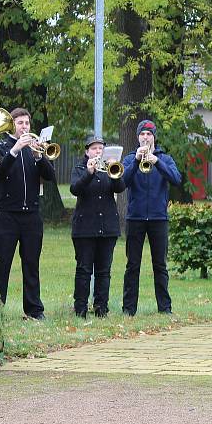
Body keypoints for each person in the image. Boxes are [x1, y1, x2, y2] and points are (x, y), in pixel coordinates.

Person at [0, 108, 56, 320]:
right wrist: (15, 150)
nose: (25, 127)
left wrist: (39, 157)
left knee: (31, 264)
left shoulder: (35, 148)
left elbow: (50, 176)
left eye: (27, 123)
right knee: (2, 265)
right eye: (20, 123)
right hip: (7, 216)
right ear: (12, 125)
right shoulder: (0, 147)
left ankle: (34, 310)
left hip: (31, 217)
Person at [121, 119, 181, 316]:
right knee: (132, 265)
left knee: (160, 265)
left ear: (154, 137)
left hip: (158, 218)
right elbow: (122, 182)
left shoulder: (165, 158)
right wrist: (137, 161)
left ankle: (165, 308)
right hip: (135, 218)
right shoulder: (130, 158)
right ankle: (129, 309)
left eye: (149, 134)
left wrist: (158, 162)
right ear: (138, 137)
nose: (145, 138)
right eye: (142, 134)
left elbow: (176, 179)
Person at [69, 135, 126, 318]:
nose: (97, 151)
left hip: (107, 227)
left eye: (100, 149)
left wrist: (113, 168)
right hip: (85, 227)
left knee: (104, 271)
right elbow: (75, 189)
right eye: (94, 148)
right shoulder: (80, 168)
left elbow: (120, 187)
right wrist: (89, 173)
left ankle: (102, 308)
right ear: (87, 151)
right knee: (84, 269)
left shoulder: (109, 169)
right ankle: (81, 308)